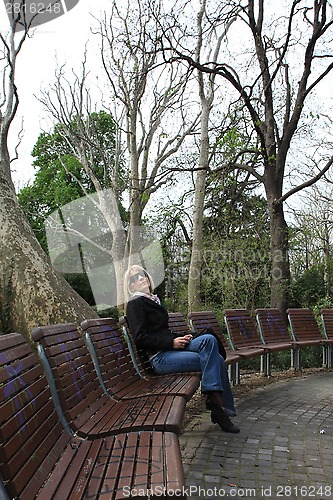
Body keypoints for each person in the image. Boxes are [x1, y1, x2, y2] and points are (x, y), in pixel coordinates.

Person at [124, 264, 240, 433]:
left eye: (142, 275)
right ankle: (219, 408)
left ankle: (215, 401)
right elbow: (141, 338)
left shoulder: (151, 300)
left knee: (208, 340)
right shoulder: (135, 304)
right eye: (134, 278)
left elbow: (160, 331)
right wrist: (170, 343)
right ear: (131, 285)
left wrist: (179, 337)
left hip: (170, 350)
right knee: (218, 360)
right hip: (160, 358)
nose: (140, 278)